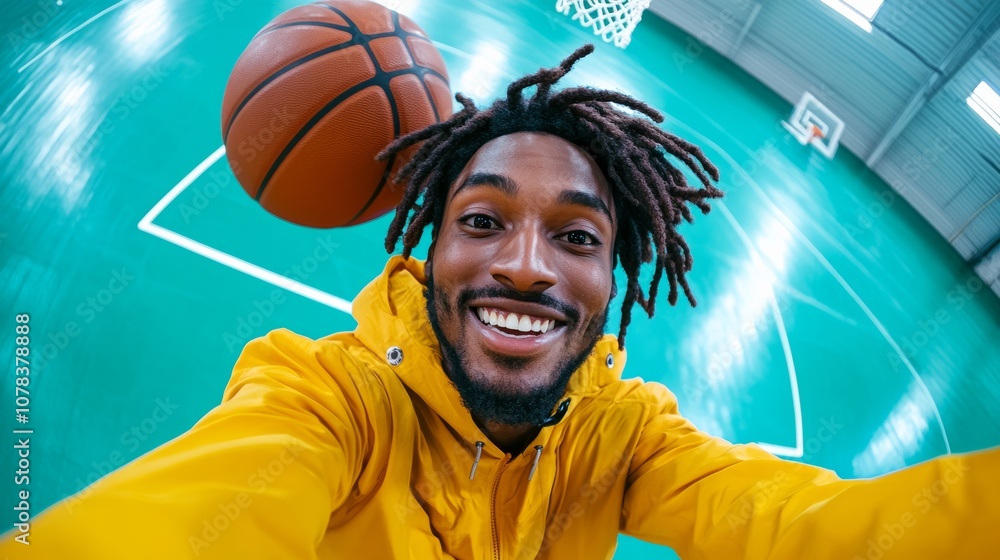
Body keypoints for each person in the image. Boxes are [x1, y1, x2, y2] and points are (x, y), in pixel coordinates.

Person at [4, 45, 997, 560]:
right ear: (428, 247)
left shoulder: (626, 437)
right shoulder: (324, 397)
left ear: (615, 281)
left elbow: (809, 525)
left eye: (576, 236)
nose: (525, 265)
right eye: (481, 219)